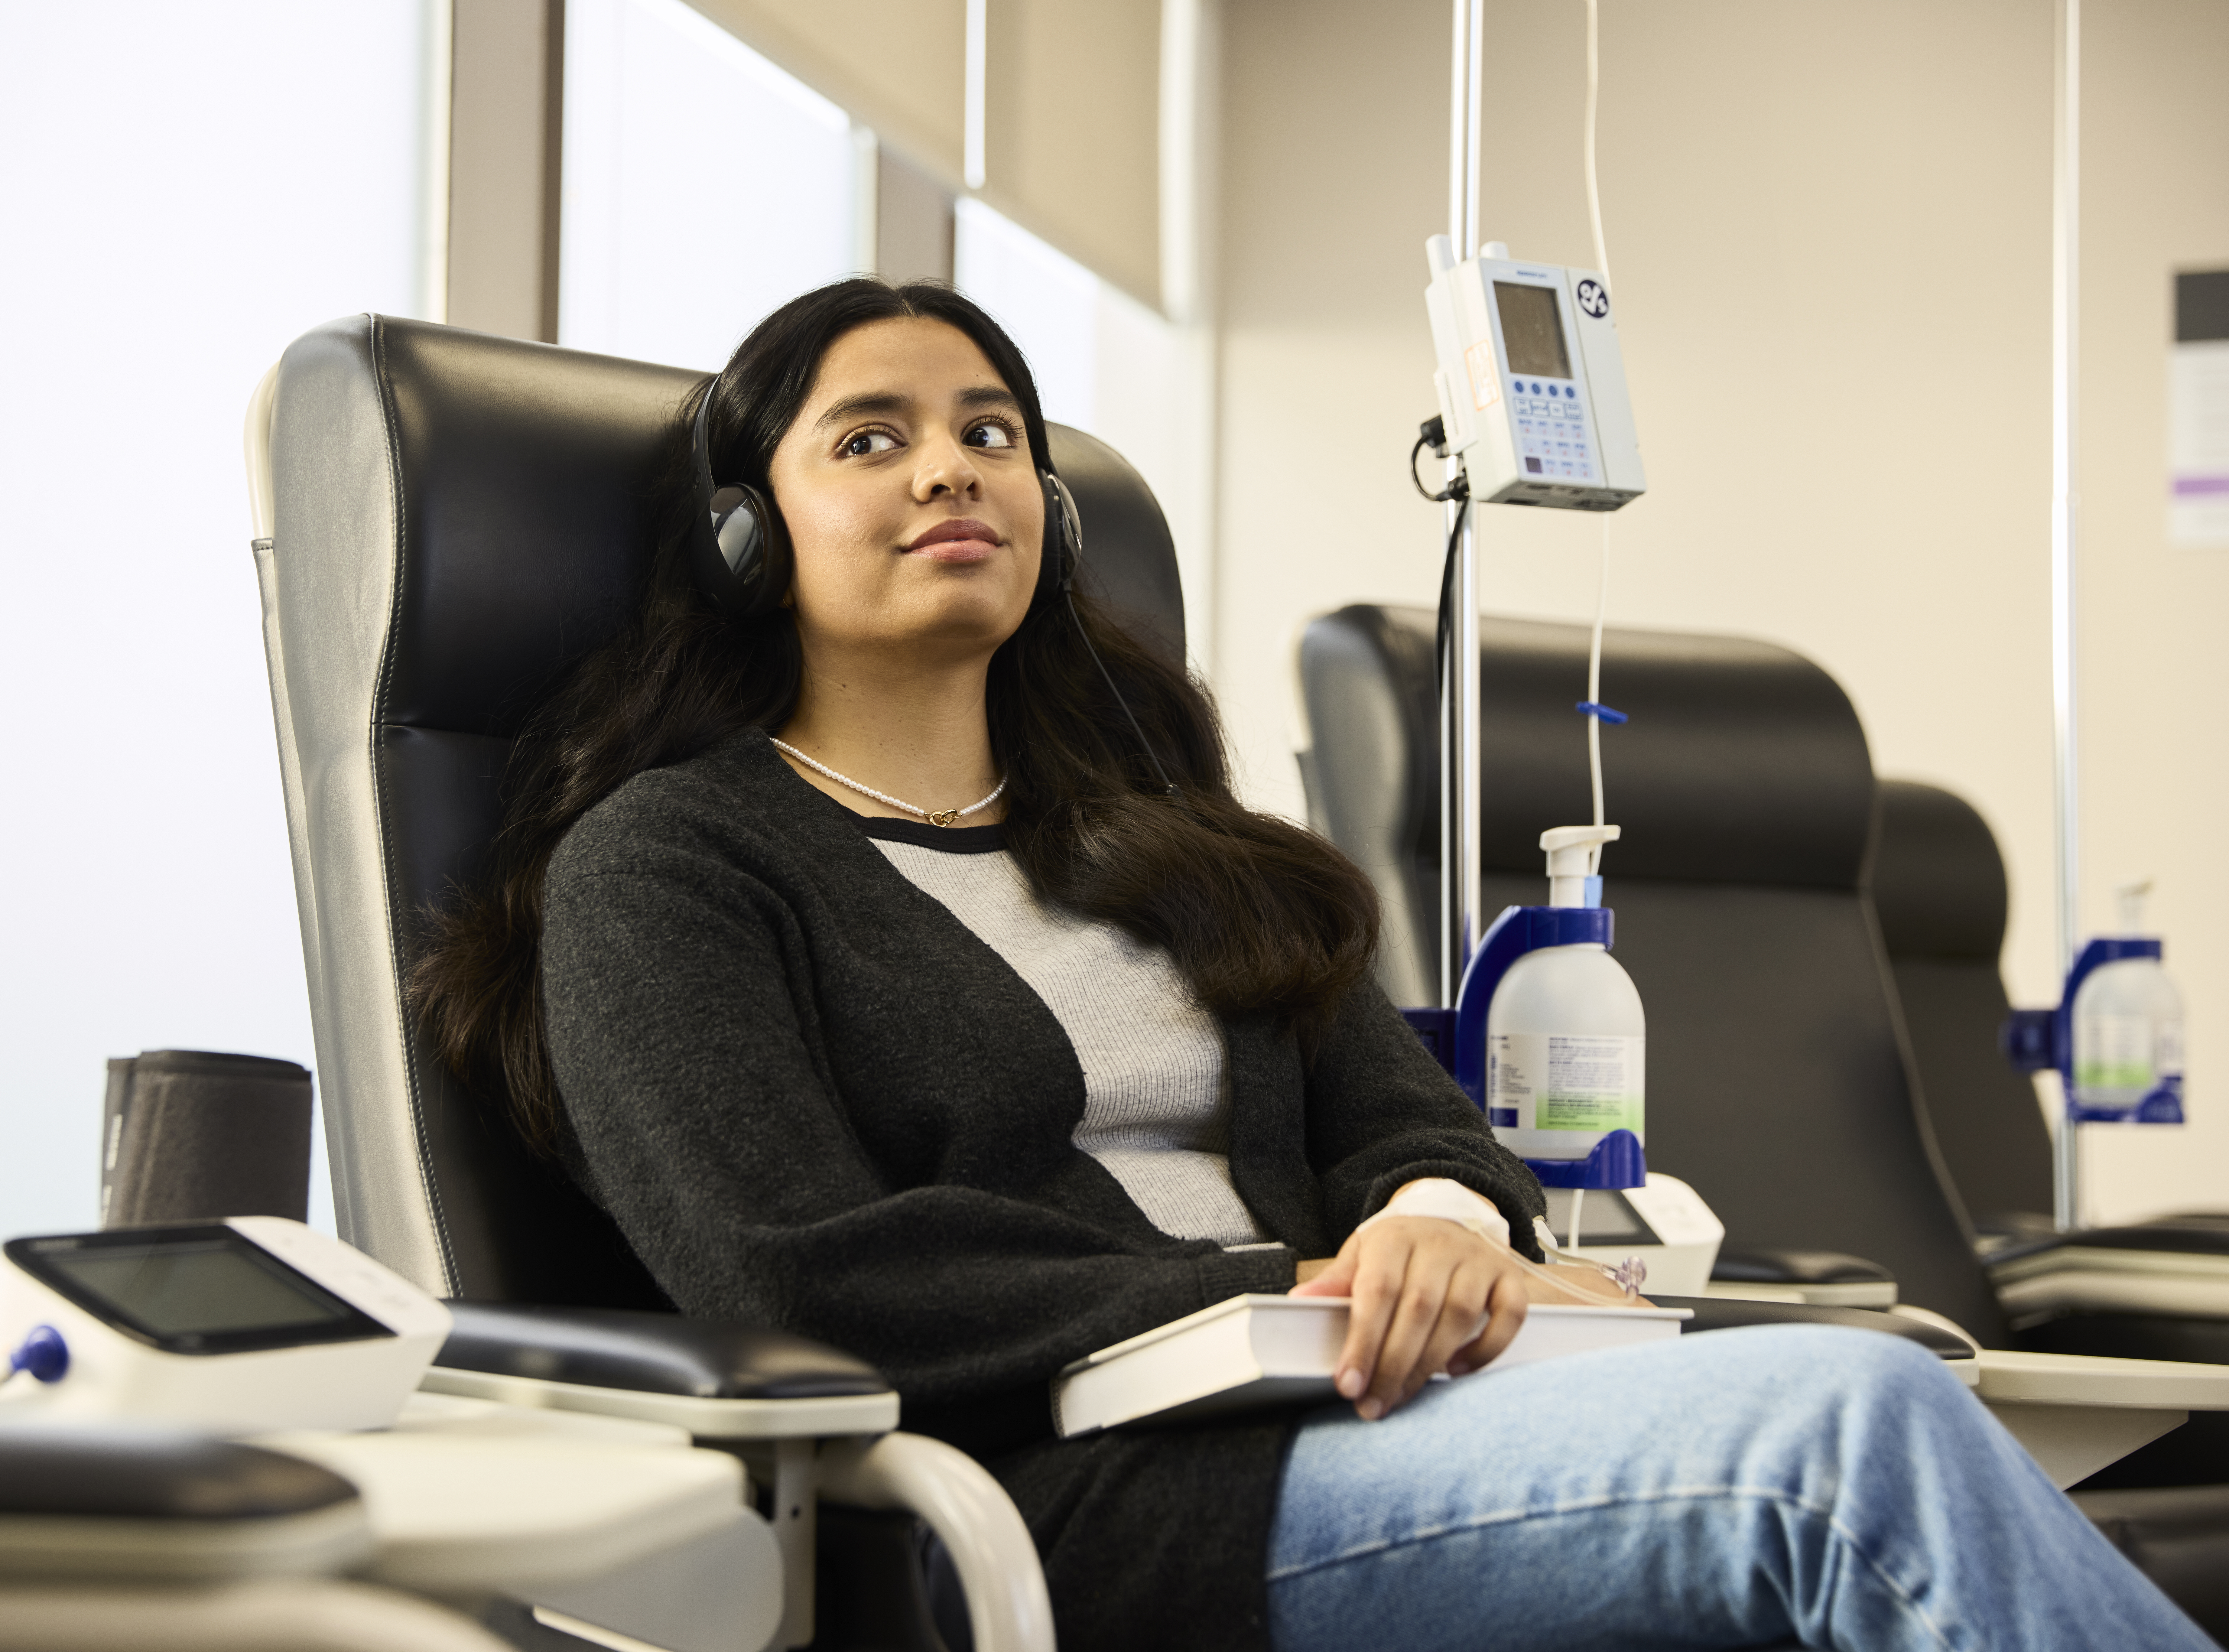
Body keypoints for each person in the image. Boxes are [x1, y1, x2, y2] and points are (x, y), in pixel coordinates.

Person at [414, 278, 2213, 1652]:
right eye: (868, 437)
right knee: (1852, 1439)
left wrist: (1445, 1216)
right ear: (750, 533)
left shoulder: (1164, 828)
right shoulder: (669, 862)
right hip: (1081, 1490)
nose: (951, 464)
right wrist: (1313, 1284)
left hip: (1379, 1404)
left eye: (988, 430)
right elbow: (793, 1261)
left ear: (1048, 509)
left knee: (1893, 1403)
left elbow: (1400, 1113)